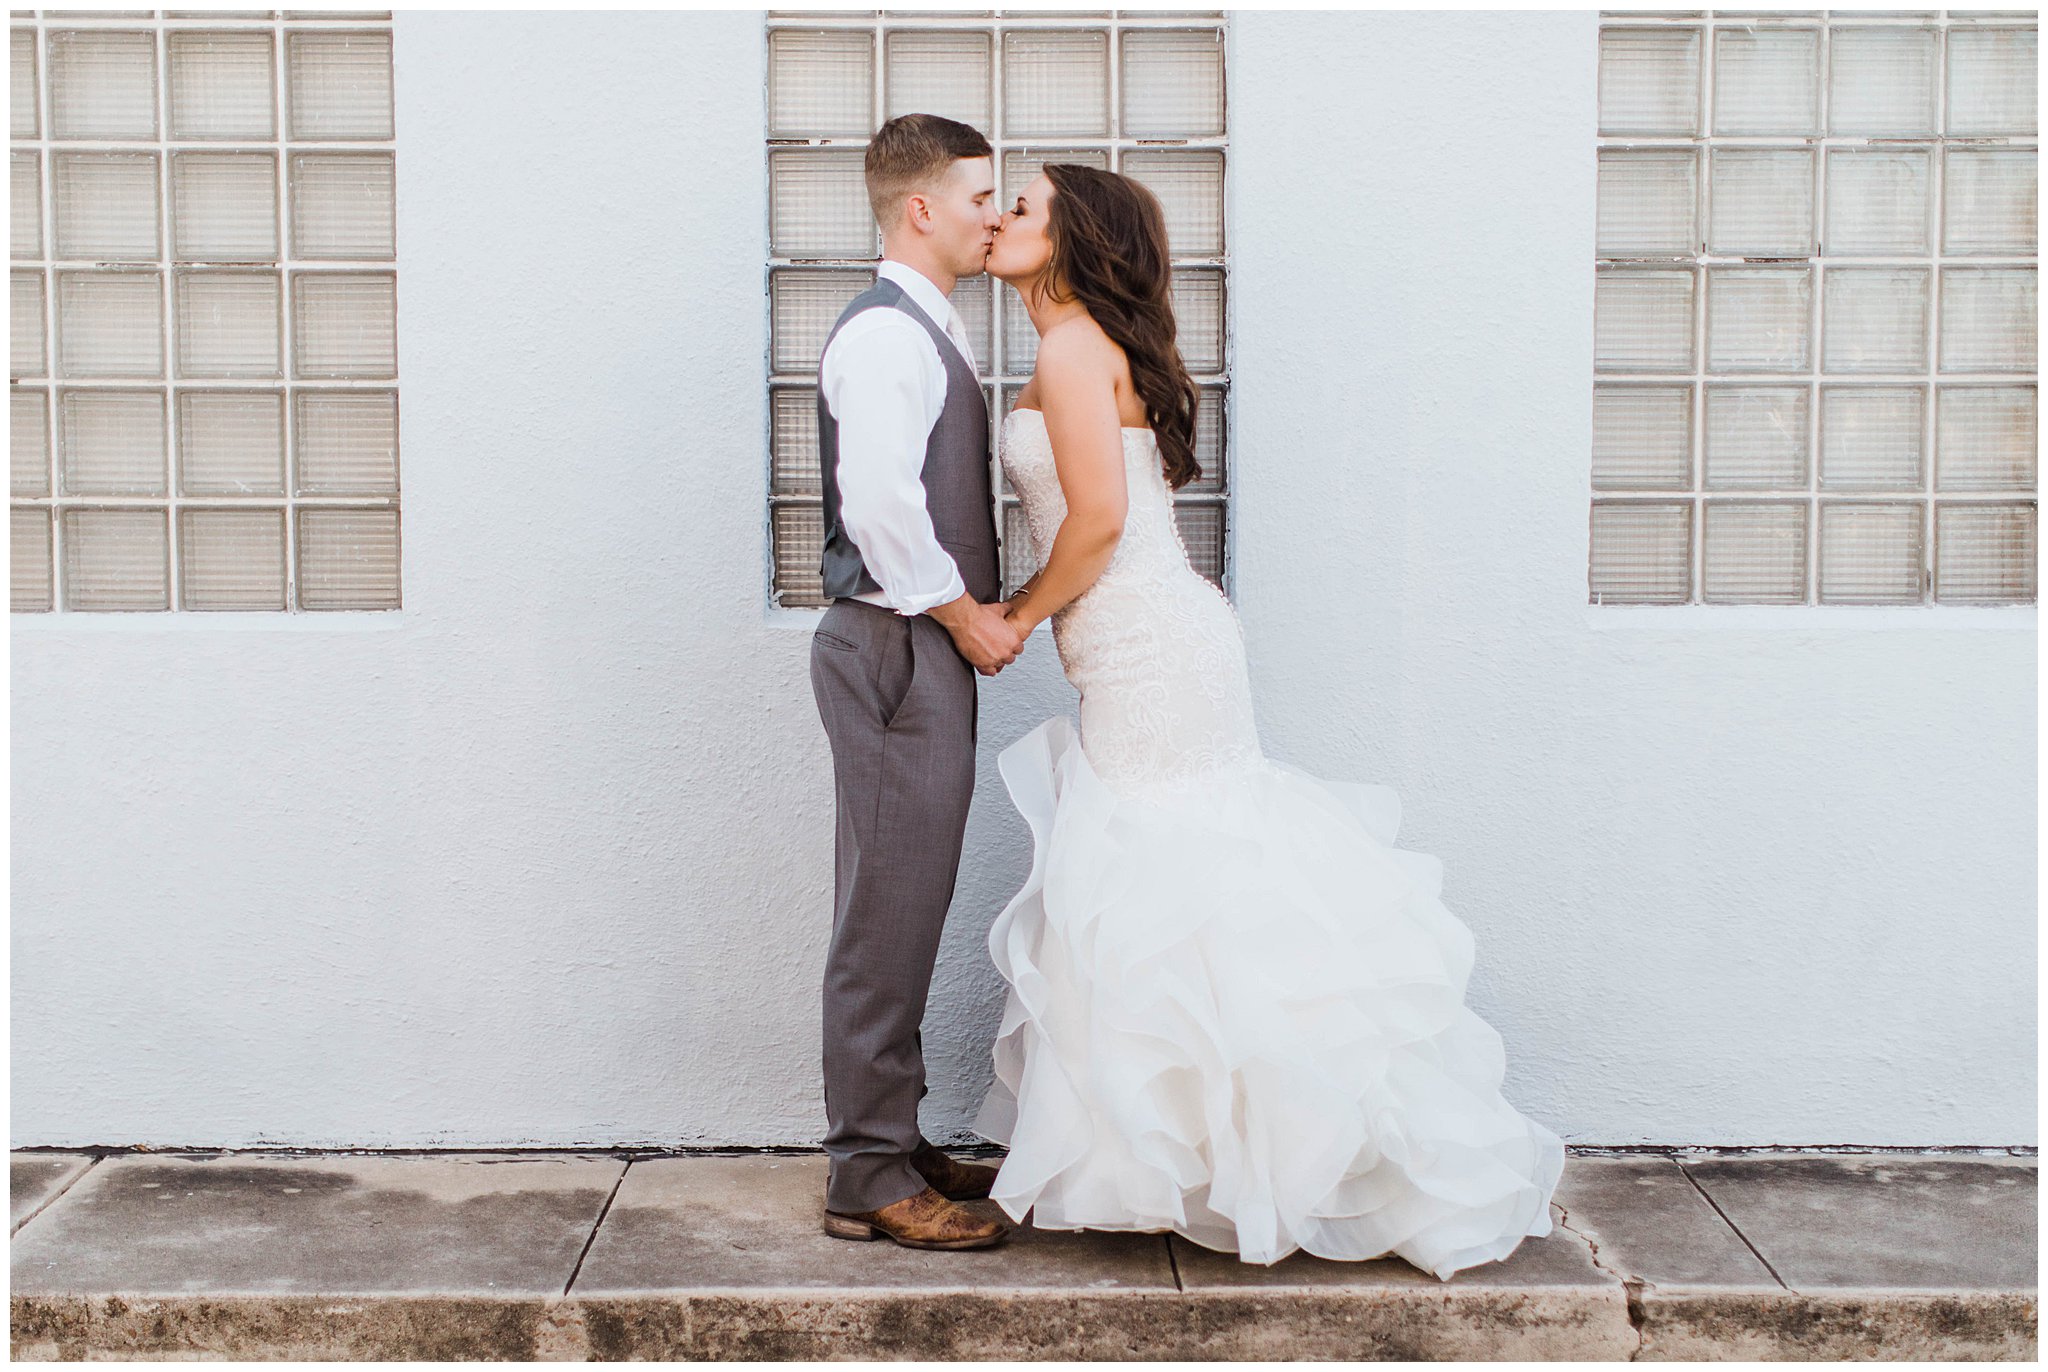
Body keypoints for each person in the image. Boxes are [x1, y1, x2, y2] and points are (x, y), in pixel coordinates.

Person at [971, 163, 1566, 1279]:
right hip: (1157, 640)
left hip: (1150, 643)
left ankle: (1259, 1157)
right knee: (1177, 878)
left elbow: (1096, 523)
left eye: (1022, 207)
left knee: (1161, 877)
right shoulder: (1086, 343)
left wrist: (1013, 616)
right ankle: (1223, 1157)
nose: (998, 218)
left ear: (1070, 240)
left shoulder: (1067, 348)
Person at [807, 114, 1022, 1251]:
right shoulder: (889, 337)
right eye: (981, 194)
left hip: (906, 643)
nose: (997, 214)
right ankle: (866, 1174)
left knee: (904, 899)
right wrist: (963, 617)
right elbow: (879, 503)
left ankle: (886, 1134)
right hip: (895, 643)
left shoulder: (920, 326)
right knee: (884, 914)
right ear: (921, 208)